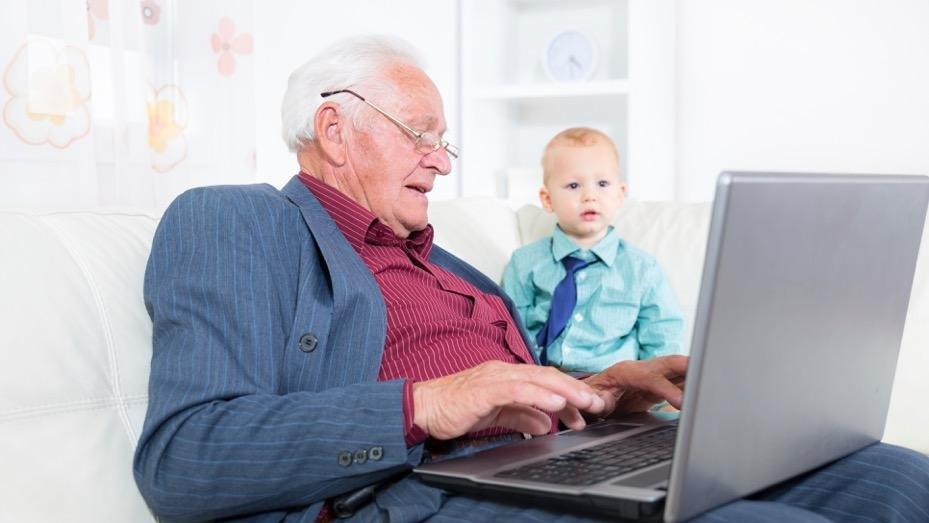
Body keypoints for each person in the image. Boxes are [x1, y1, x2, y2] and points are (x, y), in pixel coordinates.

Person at [133, 35, 929, 522]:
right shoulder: (235, 220)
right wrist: (431, 402)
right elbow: (183, 459)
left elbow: (506, 403)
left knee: (897, 480)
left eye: (445, 143)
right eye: (421, 135)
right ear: (334, 128)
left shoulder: (452, 268)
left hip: (546, 465)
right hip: (418, 496)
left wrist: (606, 387)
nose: (440, 162)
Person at [503, 127, 683, 373]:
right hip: (545, 382)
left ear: (620, 194)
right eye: (574, 185)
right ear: (547, 199)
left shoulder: (641, 268)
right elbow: (509, 330)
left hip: (617, 386)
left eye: (602, 184)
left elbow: (662, 334)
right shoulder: (525, 262)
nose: (590, 196)